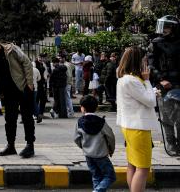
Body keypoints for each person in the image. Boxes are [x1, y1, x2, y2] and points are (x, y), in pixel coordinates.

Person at [0, 41, 35, 158]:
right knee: (10, 120)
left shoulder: (11, 50)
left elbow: (27, 62)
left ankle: (30, 145)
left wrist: (29, 83)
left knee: (27, 117)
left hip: (22, 88)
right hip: (7, 93)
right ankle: (11, 146)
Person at [116, 46, 158, 192]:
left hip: (129, 126)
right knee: (143, 168)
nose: (146, 62)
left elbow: (141, 98)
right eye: (144, 59)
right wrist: (147, 81)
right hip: (138, 128)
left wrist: (150, 89)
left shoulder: (124, 79)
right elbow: (150, 102)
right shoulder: (133, 81)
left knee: (132, 165)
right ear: (137, 61)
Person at [148, 15, 180, 154]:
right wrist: (160, 79)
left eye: (167, 26)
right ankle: (171, 143)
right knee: (166, 116)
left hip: (178, 83)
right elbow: (151, 64)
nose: (164, 29)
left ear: (174, 27)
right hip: (164, 84)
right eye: (163, 26)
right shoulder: (156, 43)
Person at [75, 95, 116, 192]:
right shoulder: (101, 122)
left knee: (96, 176)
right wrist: (111, 149)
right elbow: (111, 136)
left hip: (88, 155)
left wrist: (83, 147)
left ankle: (97, 189)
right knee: (110, 176)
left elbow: (76, 138)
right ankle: (97, 191)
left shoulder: (80, 122)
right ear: (96, 107)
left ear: (82, 108)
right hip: (101, 154)